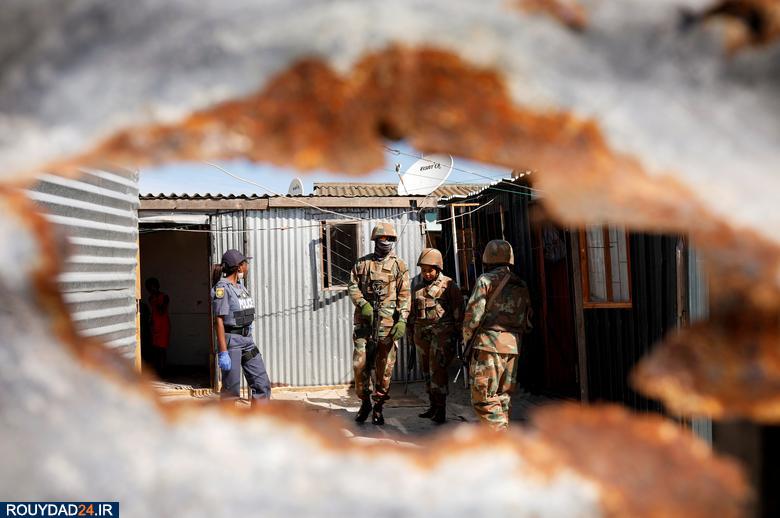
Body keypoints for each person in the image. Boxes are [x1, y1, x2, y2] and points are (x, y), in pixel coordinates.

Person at [463, 240, 532, 431]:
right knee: (503, 397)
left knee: (483, 398)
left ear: (487, 258)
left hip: (488, 345)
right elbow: (527, 319)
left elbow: (473, 316)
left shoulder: (485, 281)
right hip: (513, 346)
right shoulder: (520, 284)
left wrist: (466, 340)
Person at [348, 222, 410, 425]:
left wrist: (402, 320)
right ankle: (365, 402)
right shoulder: (362, 264)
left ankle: (378, 407)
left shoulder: (399, 266)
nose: (386, 242)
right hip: (365, 325)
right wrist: (363, 304)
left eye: (389, 239)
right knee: (360, 366)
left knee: (384, 370)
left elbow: (405, 295)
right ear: (375, 240)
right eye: (382, 239)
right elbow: (352, 286)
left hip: (388, 326)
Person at [408, 248, 462, 424]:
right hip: (422, 335)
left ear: (438, 268)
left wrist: (460, 333)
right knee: (426, 371)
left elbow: (458, 311)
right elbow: (412, 314)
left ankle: (441, 408)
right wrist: (410, 333)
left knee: (437, 371)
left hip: (442, 335)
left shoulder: (449, 285)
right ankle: (432, 405)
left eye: (430, 270)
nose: (426, 274)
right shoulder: (418, 288)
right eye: (423, 270)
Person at [211, 249, 271, 403]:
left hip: (247, 341)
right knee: (231, 392)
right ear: (239, 267)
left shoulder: (239, 287)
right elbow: (218, 320)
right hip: (232, 342)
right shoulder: (223, 288)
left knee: (262, 384)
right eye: (246, 263)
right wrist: (223, 351)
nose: (247, 266)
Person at [145, 277, 170, 377]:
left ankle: (163, 371)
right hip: (155, 324)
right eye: (148, 288)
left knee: (162, 349)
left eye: (151, 287)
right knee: (155, 348)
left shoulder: (165, 297)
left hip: (163, 325)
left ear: (156, 286)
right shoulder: (150, 298)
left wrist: (155, 300)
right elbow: (153, 312)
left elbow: (161, 311)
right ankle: (157, 370)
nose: (150, 290)